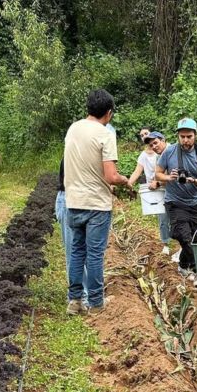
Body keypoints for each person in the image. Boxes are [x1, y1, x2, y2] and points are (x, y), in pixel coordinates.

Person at [63, 89, 130, 315]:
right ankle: (96, 302)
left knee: (77, 251)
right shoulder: (105, 134)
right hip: (96, 205)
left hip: (73, 201)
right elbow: (111, 176)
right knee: (94, 254)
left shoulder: (73, 128)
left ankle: (75, 300)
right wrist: (125, 180)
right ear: (108, 113)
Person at [155, 118, 197, 287]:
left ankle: (182, 265)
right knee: (184, 236)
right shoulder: (169, 151)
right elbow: (158, 173)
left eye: (189, 136)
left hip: (194, 201)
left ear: (195, 135)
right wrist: (169, 177)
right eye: (182, 136)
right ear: (178, 136)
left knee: (194, 239)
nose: (185, 140)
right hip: (174, 201)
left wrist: (194, 181)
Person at [128, 131, 172, 256]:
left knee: (176, 219)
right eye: (142, 136)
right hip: (157, 189)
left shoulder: (170, 151)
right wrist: (129, 183)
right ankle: (166, 243)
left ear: (162, 140)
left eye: (146, 133)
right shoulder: (152, 155)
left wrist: (158, 182)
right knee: (163, 218)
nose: (144, 137)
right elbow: (138, 171)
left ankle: (182, 247)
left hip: (169, 188)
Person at [55, 158, 88, 304]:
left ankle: (84, 295)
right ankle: (80, 297)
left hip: (76, 201)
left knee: (81, 250)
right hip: (70, 201)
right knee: (75, 251)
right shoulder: (74, 156)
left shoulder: (80, 151)